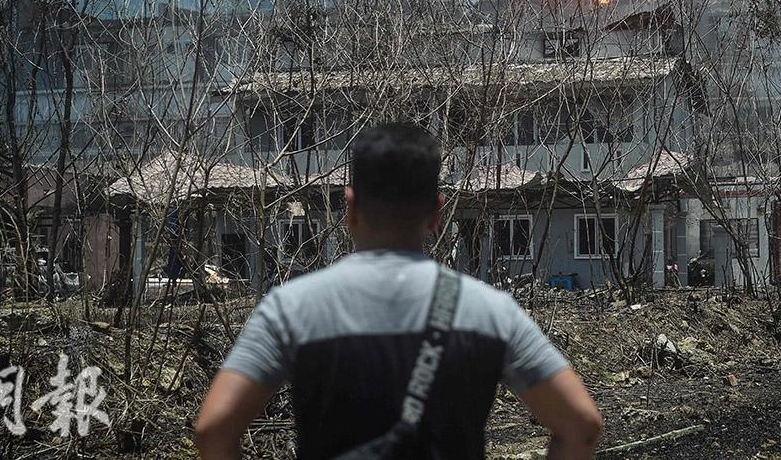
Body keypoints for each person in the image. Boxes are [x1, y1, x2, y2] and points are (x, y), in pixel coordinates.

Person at [195, 122, 603, 459]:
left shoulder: (291, 308)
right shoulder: (490, 311)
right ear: (437, 212)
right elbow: (581, 425)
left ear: (350, 207)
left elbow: (213, 429)